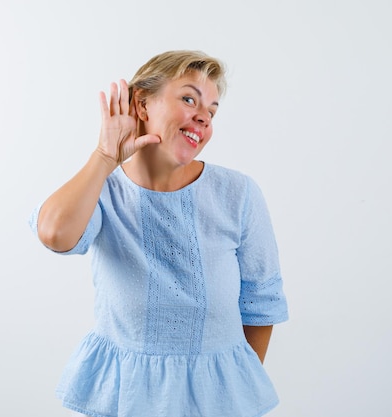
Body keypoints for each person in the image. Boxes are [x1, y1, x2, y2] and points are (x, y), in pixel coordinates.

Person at [29, 50, 288, 417]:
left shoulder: (238, 194)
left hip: (216, 400)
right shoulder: (102, 191)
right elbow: (55, 234)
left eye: (211, 111)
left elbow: (261, 303)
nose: (203, 116)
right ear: (142, 104)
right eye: (188, 99)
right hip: (125, 398)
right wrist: (105, 156)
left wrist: (231, 393)